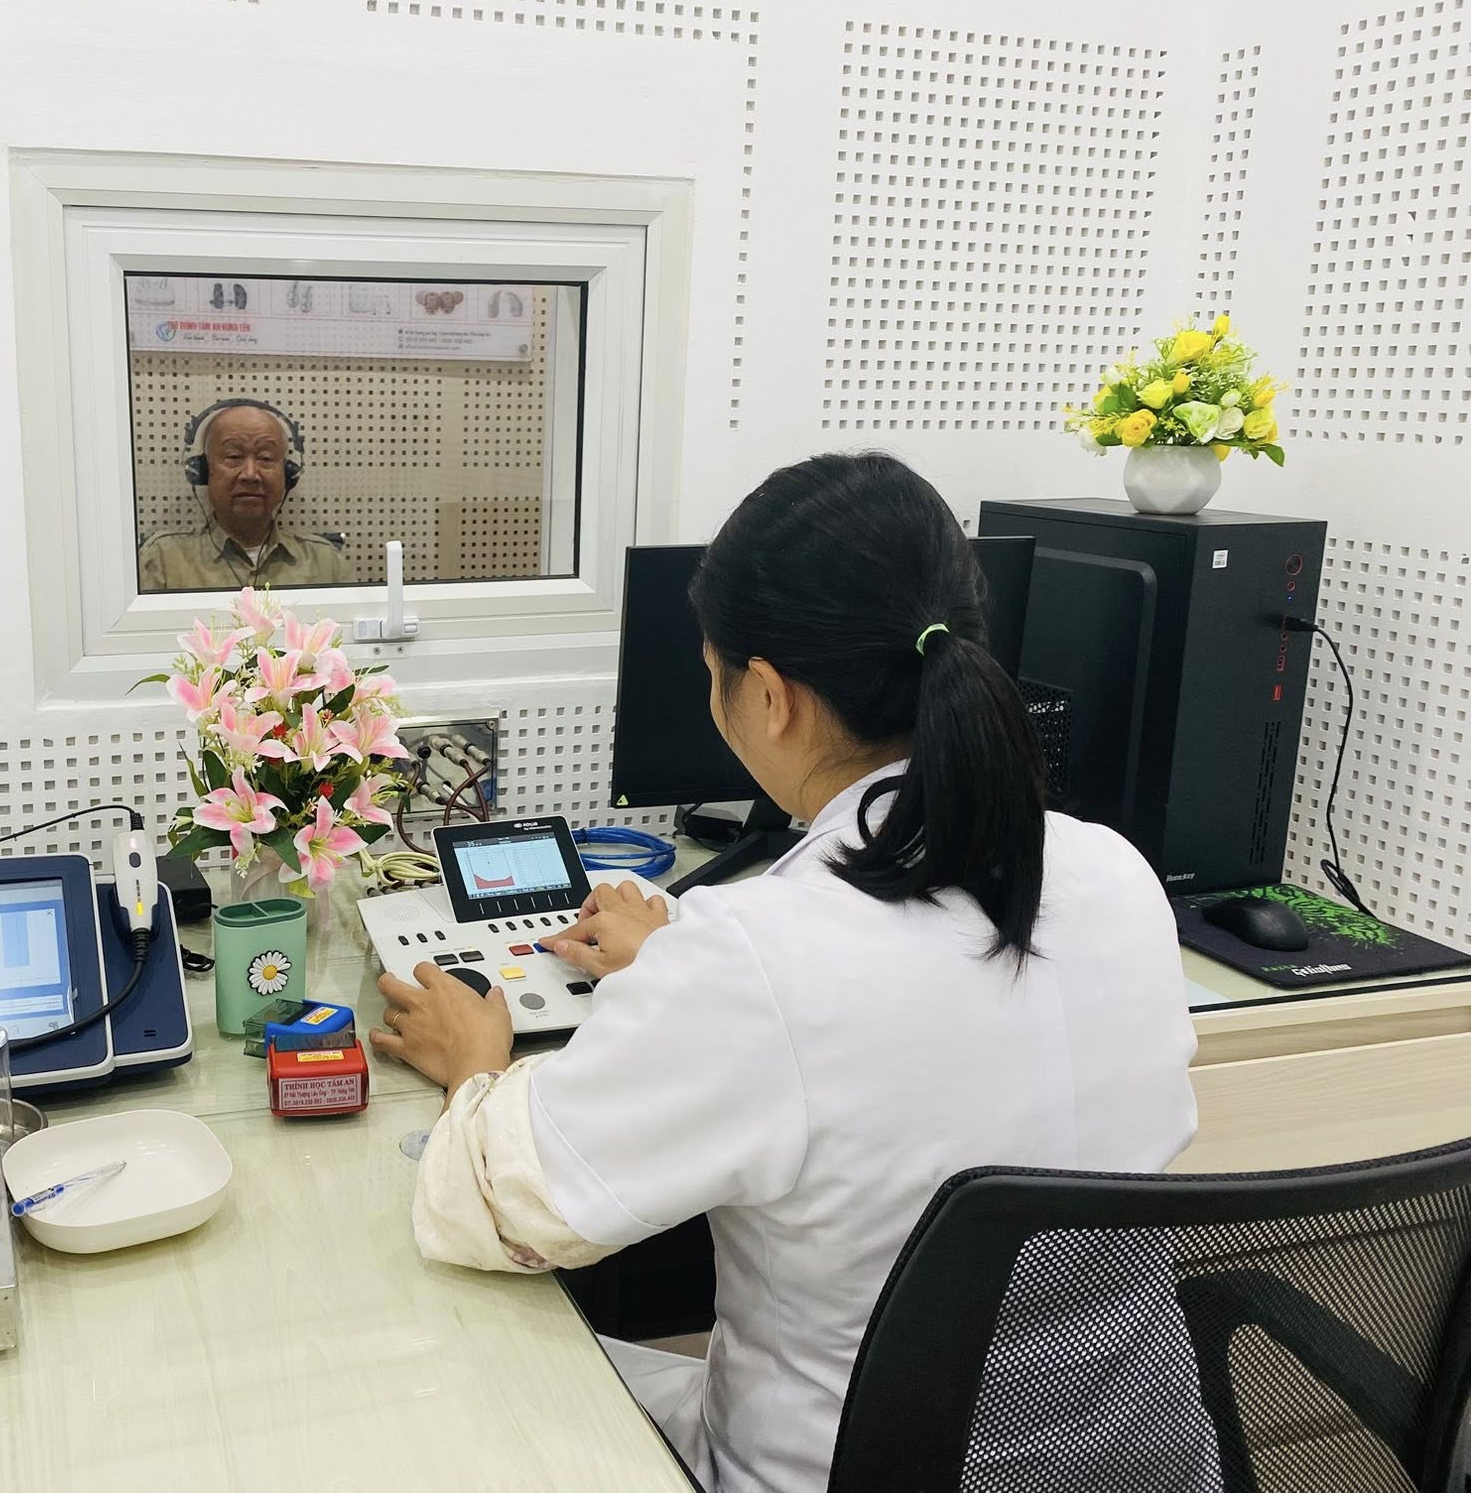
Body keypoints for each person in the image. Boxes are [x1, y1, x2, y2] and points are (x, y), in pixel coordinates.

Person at [370, 453, 1212, 1493]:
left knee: (440, 1378)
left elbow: (493, 1211)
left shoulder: (754, 956)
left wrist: (475, 1064)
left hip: (825, 1473)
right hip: (1139, 1464)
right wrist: (677, 968)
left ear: (768, 696)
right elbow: (898, 1011)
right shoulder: (1112, 872)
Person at [138, 397, 354, 590]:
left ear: (288, 474)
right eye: (234, 456)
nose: (250, 474)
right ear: (203, 471)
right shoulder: (162, 561)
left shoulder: (327, 564)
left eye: (266, 458)